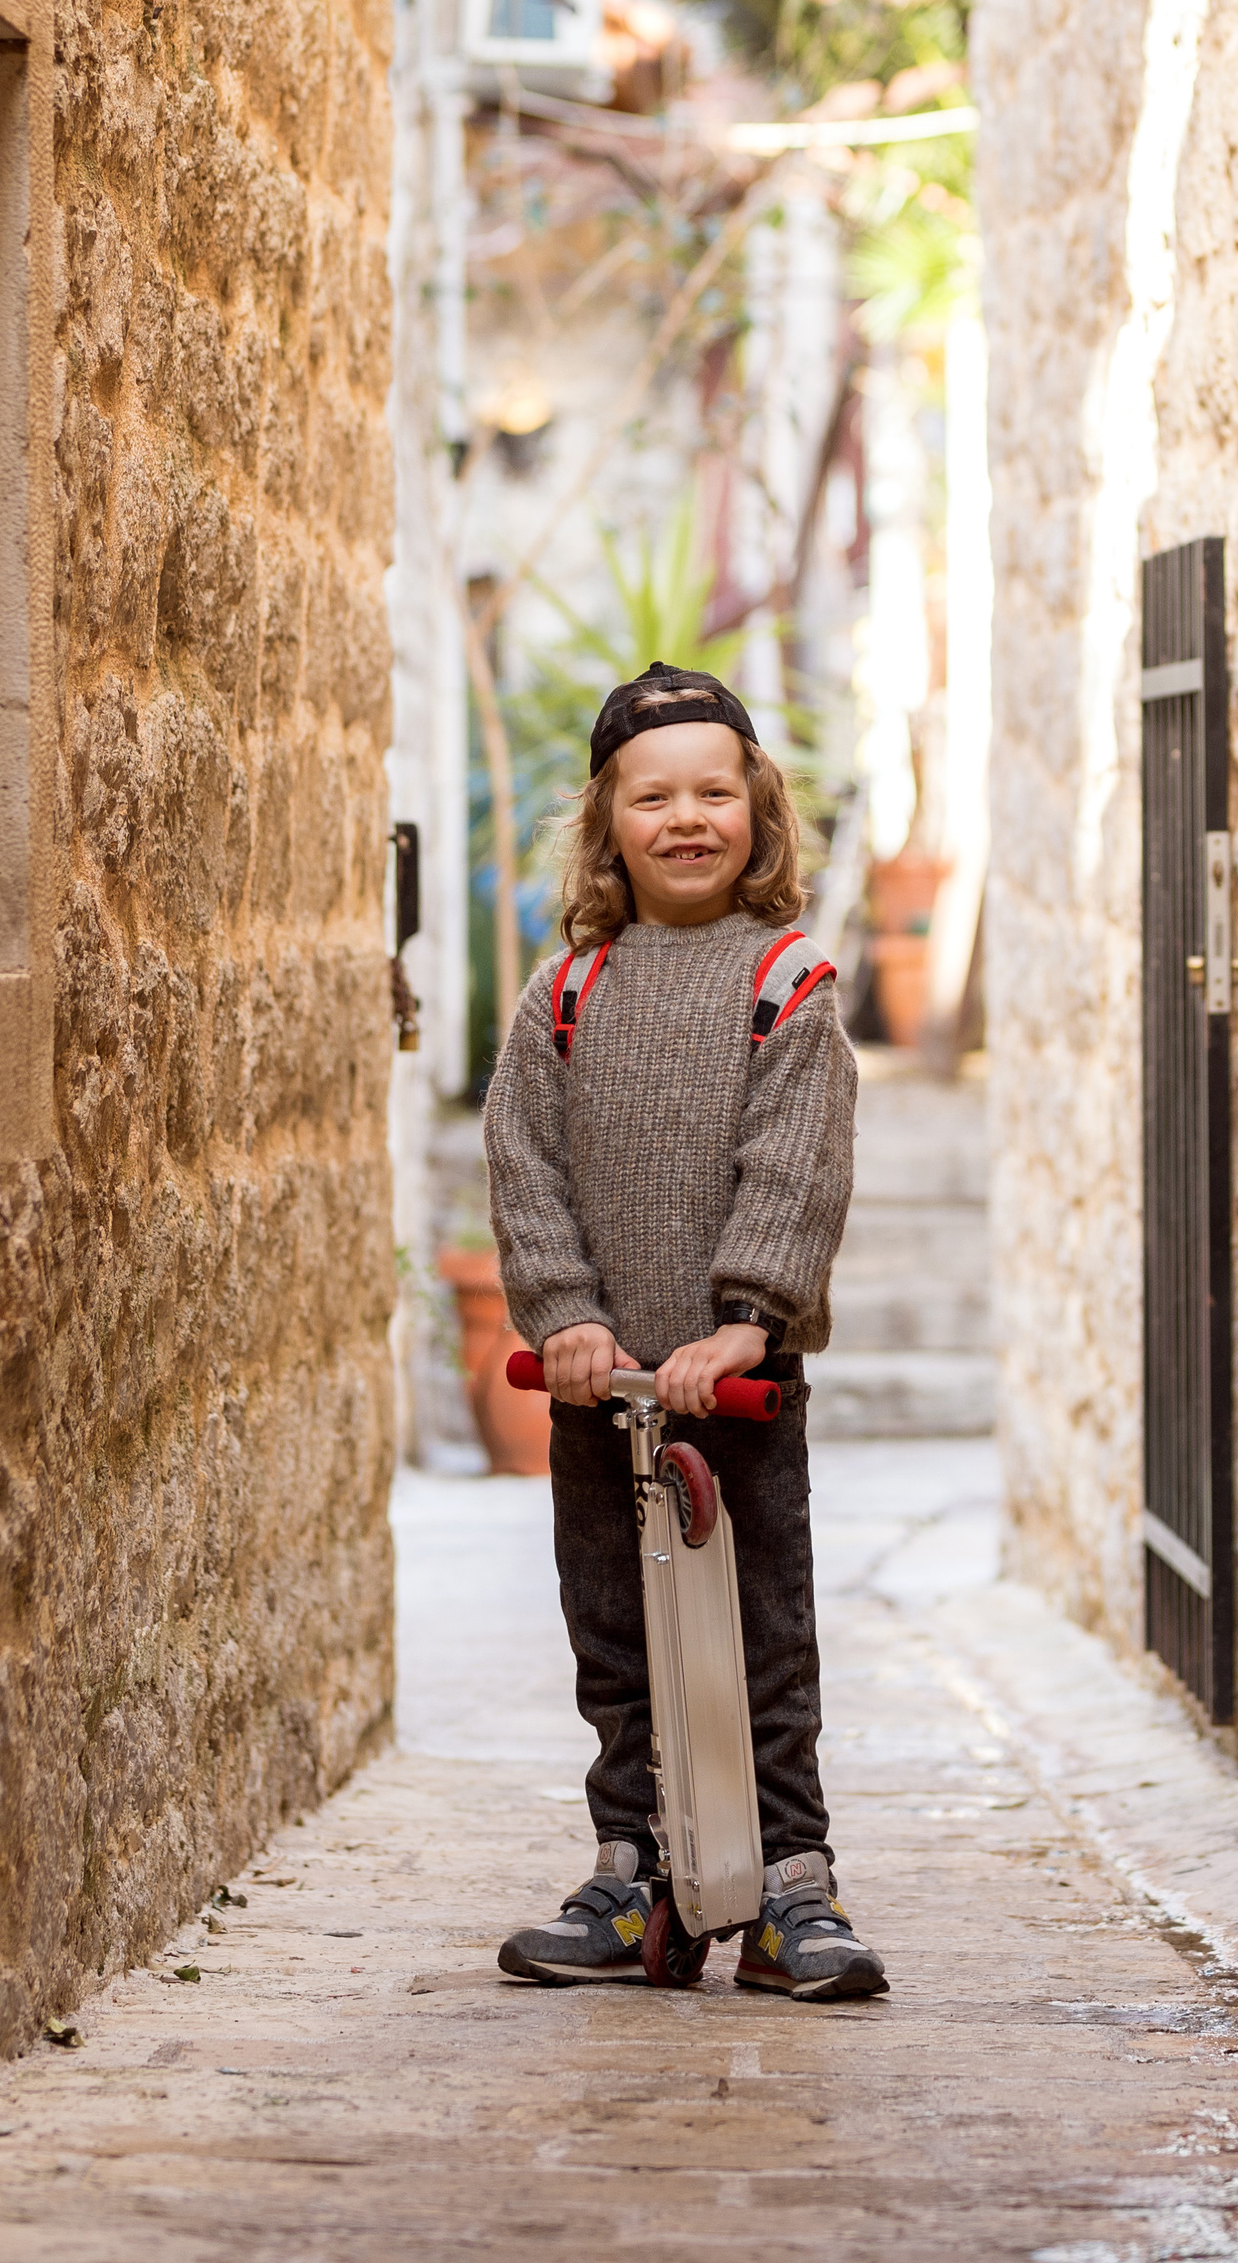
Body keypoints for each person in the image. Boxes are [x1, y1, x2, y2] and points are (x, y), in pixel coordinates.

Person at [482, 661, 886, 2002]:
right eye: (655, 797)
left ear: (761, 812)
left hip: (735, 1401)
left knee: (761, 1638)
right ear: (608, 824)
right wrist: (567, 1317)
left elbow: (798, 1168)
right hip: (604, 1397)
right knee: (616, 1635)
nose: (689, 817)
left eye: (718, 791)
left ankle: (791, 1890)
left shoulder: (788, 983)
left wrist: (745, 1323)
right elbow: (525, 1168)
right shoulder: (568, 996)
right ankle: (635, 1874)